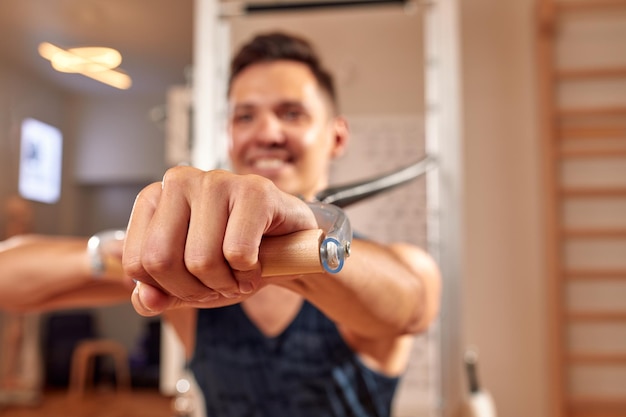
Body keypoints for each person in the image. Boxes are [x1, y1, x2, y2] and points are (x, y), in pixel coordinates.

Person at [0, 32, 441, 417]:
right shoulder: (186, 270)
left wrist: (306, 230)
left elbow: (410, 302)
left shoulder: (394, 265)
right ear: (228, 136)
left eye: (292, 113)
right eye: (244, 116)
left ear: (337, 137)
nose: (266, 132)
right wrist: (131, 249)